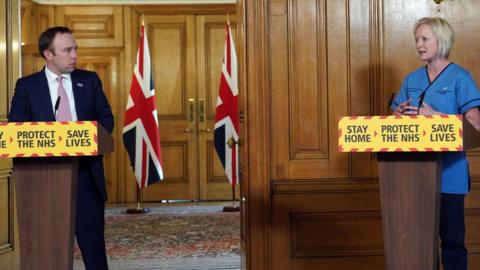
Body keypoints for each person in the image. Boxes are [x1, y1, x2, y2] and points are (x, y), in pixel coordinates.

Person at [8, 26, 113, 270]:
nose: (74, 54)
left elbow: (107, 120)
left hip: (86, 175)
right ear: (48, 54)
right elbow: (16, 128)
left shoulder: (89, 81)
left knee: (93, 247)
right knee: (45, 247)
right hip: (42, 182)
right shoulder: (27, 86)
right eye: (67, 50)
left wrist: (86, 137)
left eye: (75, 48)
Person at [390, 17, 480, 270]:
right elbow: (397, 121)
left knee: (451, 241)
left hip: (449, 176)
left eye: (424, 39)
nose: (418, 44)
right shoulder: (411, 79)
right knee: (418, 242)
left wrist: (437, 117)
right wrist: (397, 117)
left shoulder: (460, 77)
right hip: (413, 177)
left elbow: (475, 126)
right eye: (416, 39)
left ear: (441, 40)